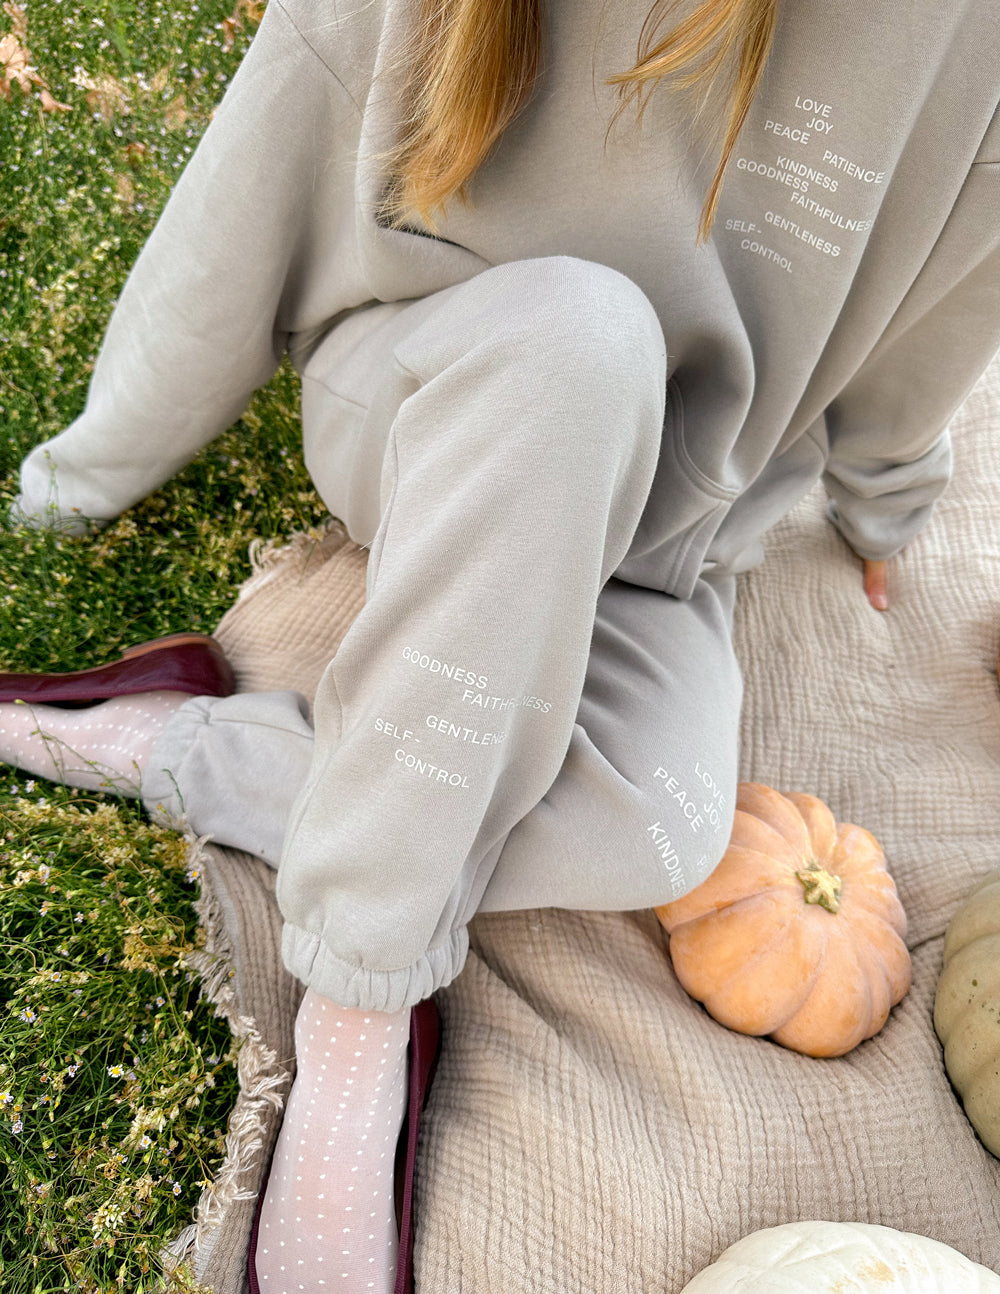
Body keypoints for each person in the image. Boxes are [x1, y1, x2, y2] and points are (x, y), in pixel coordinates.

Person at [2, 0, 998, 1288]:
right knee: (582, 341)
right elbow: (253, 190)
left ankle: (204, 749)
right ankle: (362, 1012)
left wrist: (885, 499)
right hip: (436, 400)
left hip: (662, 520)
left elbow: (944, 299)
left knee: (669, 828)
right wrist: (91, 467)